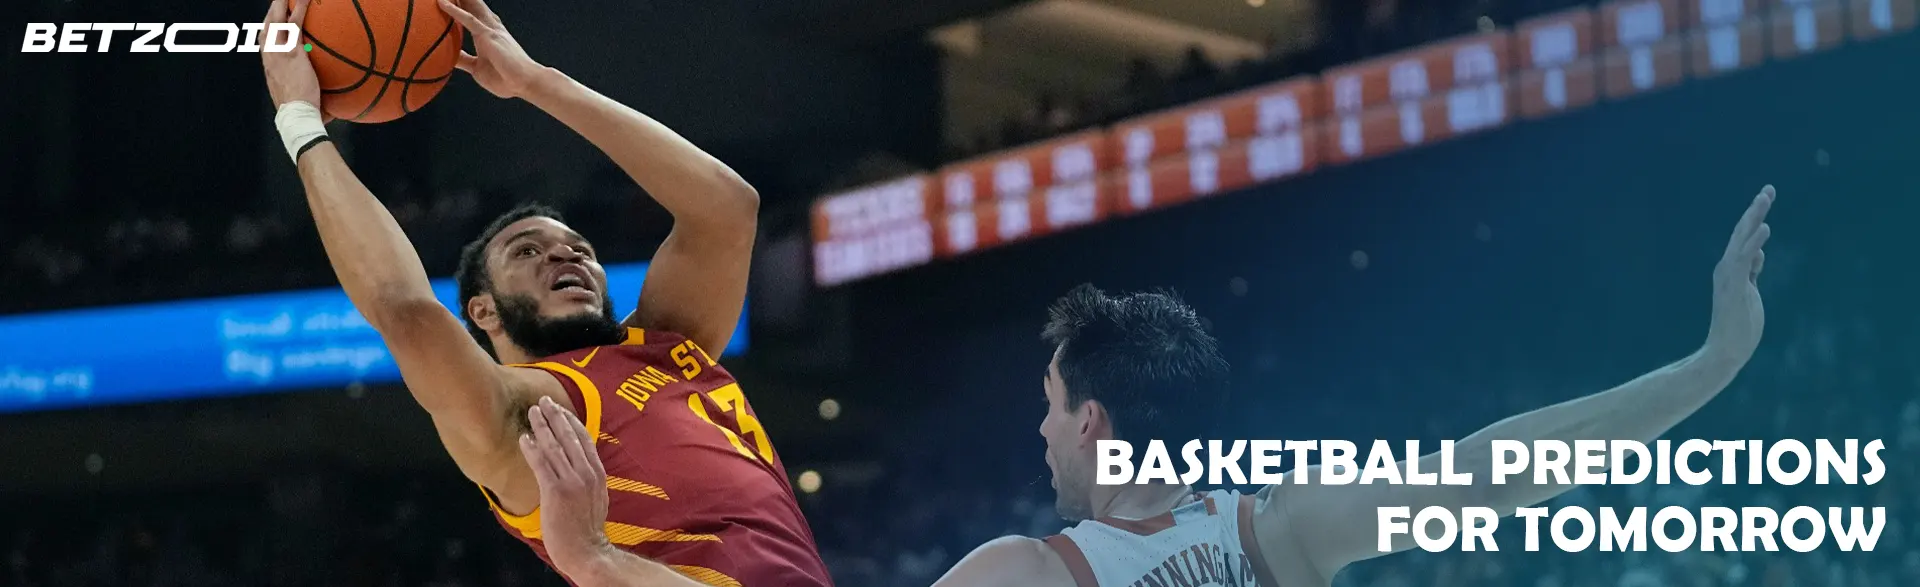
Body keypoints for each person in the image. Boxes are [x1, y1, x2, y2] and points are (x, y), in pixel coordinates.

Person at [929, 187, 1777, 587]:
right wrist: (1708, 367)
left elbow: (1493, 471)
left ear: (1092, 421)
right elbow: (1492, 473)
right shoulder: (1282, 529)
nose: (1039, 430)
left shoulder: (1027, 573)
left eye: (1050, 402)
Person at [258, 0, 832, 585]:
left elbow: (727, 210)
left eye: (578, 248)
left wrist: (536, 82)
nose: (564, 254)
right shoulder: (521, 416)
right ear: (481, 310)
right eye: (526, 252)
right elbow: (405, 312)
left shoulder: (666, 345)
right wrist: (301, 123)